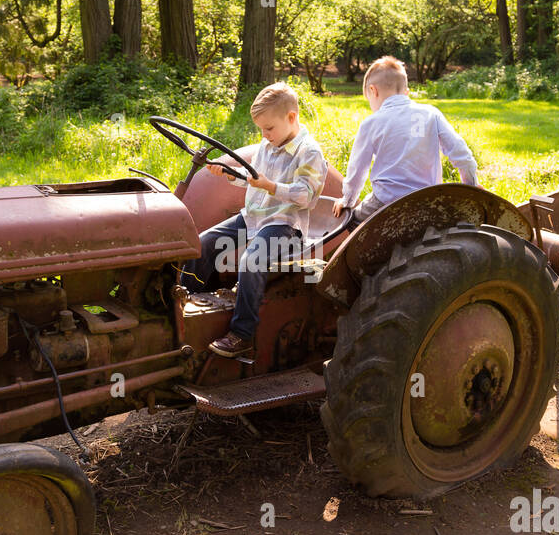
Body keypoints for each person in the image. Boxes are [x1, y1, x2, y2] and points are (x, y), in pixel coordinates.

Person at [181, 82, 327, 358]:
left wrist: (271, 186)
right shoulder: (267, 145)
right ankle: (184, 304)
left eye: (269, 128)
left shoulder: (309, 153)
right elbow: (253, 178)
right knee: (203, 242)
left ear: (291, 117)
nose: (264, 134)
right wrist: (227, 173)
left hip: (284, 226)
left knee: (252, 259)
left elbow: (306, 196)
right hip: (252, 219)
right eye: (261, 129)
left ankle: (242, 333)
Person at [333, 56, 479, 224]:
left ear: (373, 91)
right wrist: (471, 186)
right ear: (406, 92)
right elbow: (461, 155)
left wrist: (347, 200)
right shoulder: (431, 114)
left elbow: (357, 169)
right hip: (428, 200)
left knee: (352, 223)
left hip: (385, 201)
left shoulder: (371, 123)